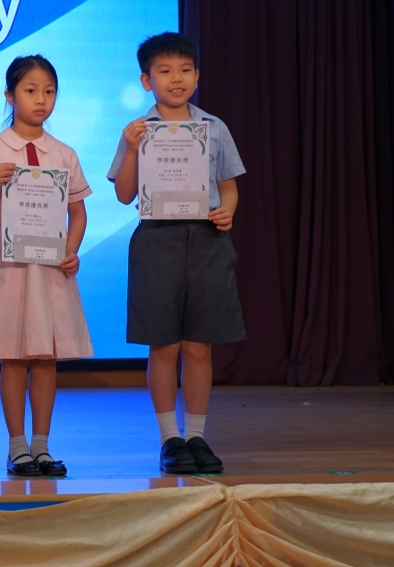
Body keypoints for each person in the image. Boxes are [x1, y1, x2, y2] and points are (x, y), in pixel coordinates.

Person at [107, 32, 246, 474]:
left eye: (185, 70)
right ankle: (170, 438)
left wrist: (227, 212)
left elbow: (228, 187)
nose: (176, 78)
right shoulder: (137, 131)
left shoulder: (214, 128)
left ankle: (197, 436)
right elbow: (124, 194)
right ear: (147, 81)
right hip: (157, 240)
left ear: (197, 76)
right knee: (164, 345)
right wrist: (132, 148)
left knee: (199, 346)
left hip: (206, 241)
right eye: (165, 71)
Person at [0, 56, 93, 477]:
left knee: (46, 357)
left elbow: (79, 212)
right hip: (12, 272)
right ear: (10, 95)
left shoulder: (64, 154)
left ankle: (42, 445)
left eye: (49, 92)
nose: (41, 100)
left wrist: (72, 250)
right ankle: (17, 446)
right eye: (31, 91)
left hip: (52, 272)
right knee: (14, 358)